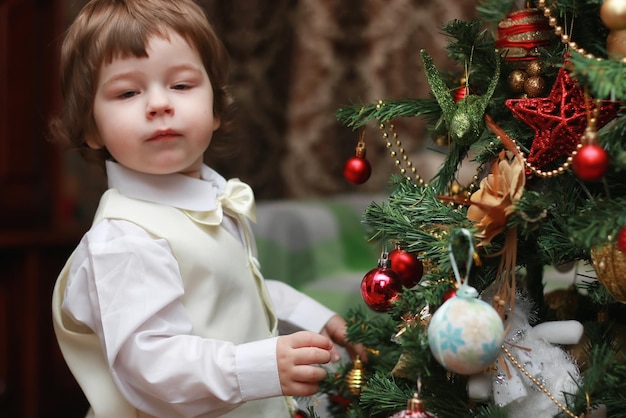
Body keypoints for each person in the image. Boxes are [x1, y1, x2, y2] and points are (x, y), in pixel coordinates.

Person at [49, 1, 362, 417]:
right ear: (90, 127)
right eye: (127, 92)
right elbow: (152, 365)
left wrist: (312, 317)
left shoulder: (213, 199)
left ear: (215, 107)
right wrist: (258, 367)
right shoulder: (125, 240)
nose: (159, 103)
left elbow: (224, 296)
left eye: (180, 85)